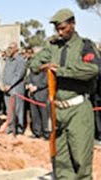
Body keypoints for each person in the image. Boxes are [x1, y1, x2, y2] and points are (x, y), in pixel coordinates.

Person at [29, 9, 100, 179]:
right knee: (61, 160)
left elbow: (93, 69)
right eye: (57, 29)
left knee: (81, 160)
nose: (60, 32)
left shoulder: (85, 45)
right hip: (58, 110)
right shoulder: (53, 46)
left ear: (72, 24)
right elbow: (34, 63)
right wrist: (42, 66)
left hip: (78, 109)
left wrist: (61, 71)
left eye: (63, 28)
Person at [2, 42, 27, 134]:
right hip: (6, 89)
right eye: (8, 48)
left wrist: (10, 85)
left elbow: (19, 75)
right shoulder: (8, 60)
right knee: (9, 110)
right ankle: (10, 128)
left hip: (16, 89)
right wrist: (4, 84)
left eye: (11, 48)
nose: (9, 50)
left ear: (16, 49)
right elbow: (5, 73)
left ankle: (19, 129)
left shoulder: (21, 60)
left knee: (18, 110)